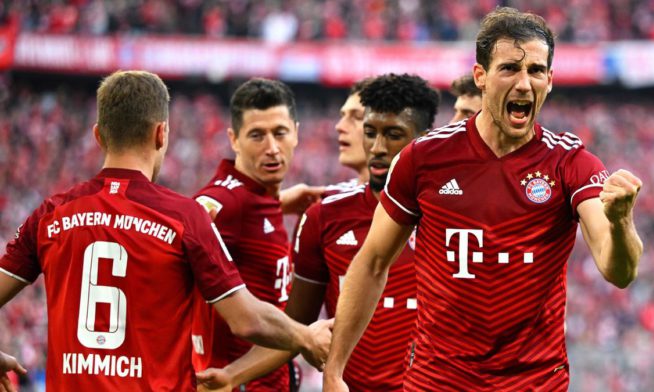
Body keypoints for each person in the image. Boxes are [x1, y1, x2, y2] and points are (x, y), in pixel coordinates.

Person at [324, 7, 643, 392]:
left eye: (536, 71)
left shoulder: (570, 163)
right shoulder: (424, 158)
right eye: (510, 68)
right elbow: (372, 262)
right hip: (438, 381)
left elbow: (617, 270)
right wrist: (334, 369)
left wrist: (621, 222)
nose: (525, 83)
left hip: (533, 383)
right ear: (481, 77)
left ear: (551, 80)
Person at [0, 70, 331, 392]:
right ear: (162, 134)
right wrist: (305, 336)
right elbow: (247, 320)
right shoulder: (182, 218)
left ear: (98, 135)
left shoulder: (50, 214)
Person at [196, 74, 440, 391]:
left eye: (393, 135)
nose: (377, 148)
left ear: (424, 138)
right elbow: (296, 326)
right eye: (370, 133)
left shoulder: (454, 216)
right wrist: (233, 375)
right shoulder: (324, 217)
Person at [191, 78, 316, 391]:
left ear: (296, 133)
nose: (272, 148)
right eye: (257, 135)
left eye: (280, 133)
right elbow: (193, 220)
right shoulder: (225, 202)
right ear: (234, 139)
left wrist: (280, 201)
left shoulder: (261, 197)